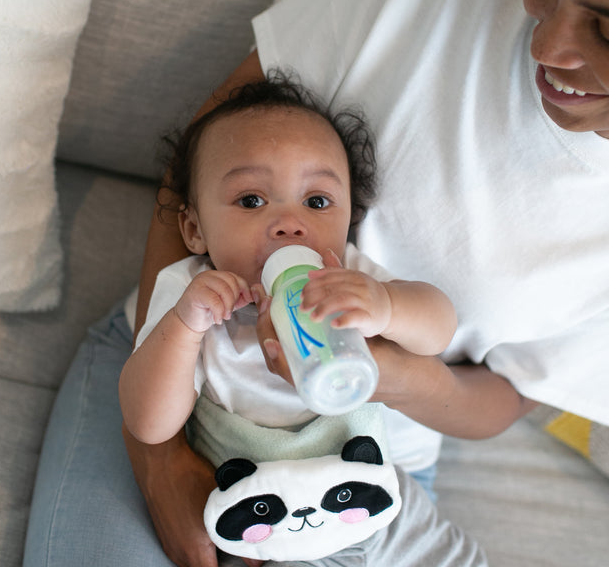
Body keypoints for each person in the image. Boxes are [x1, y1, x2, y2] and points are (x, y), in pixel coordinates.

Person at [23, 0, 609, 566]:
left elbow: (482, 376)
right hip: (178, 390)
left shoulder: (352, 274)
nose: (546, 44)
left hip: (361, 461)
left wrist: (387, 355)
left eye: (607, 28)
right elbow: (212, 144)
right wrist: (160, 461)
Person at [118, 76, 463, 564]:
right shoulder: (192, 294)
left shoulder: (344, 274)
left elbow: (440, 329)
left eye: (317, 202)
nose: (288, 222)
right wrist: (184, 327)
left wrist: (387, 305)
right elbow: (147, 424)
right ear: (194, 228)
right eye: (251, 200)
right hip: (263, 525)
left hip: (370, 499)